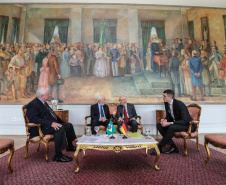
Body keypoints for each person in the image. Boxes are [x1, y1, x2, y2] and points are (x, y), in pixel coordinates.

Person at [26, 87, 77, 162]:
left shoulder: (43, 102)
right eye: (48, 94)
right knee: (59, 128)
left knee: (68, 125)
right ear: (42, 96)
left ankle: (70, 146)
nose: (50, 95)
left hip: (48, 125)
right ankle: (58, 155)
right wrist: (51, 123)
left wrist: (61, 123)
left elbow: (52, 115)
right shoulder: (33, 104)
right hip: (41, 128)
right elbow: (34, 119)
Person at [150, 89, 193, 156]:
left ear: (170, 97)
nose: (163, 97)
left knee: (171, 126)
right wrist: (165, 120)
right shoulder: (166, 103)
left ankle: (159, 147)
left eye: (164, 96)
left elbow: (184, 120)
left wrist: (169, 123)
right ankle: (173, 146)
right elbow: (169, 116)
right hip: (176, 124)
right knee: (159, 125)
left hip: (186, 125)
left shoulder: (180, 104)